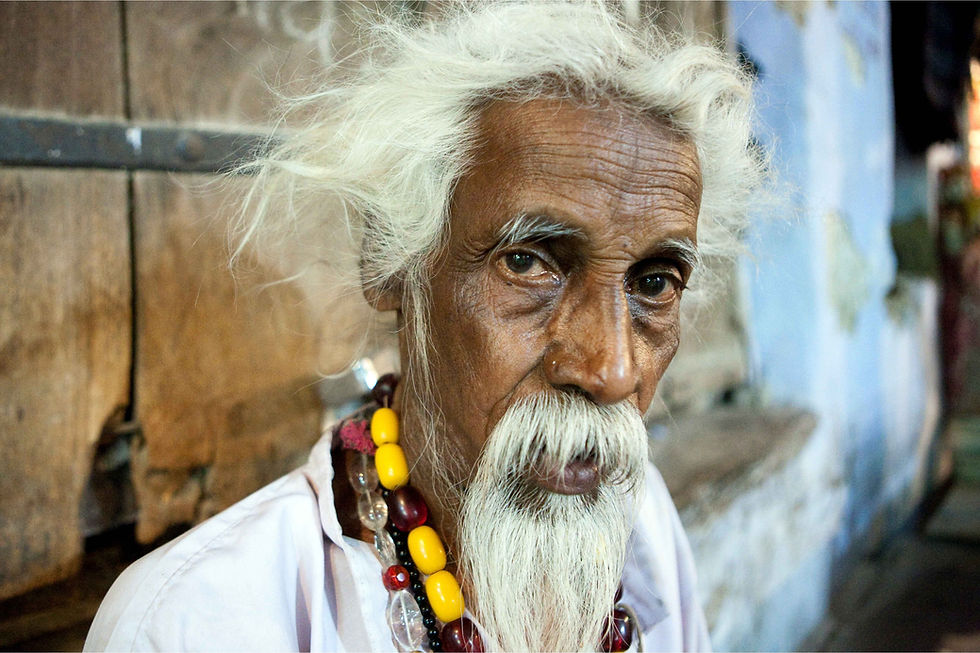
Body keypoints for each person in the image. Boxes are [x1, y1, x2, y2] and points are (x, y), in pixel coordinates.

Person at [85, 2, 765, 651]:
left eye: (653, 284)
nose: (614, 370)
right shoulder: (191, 621)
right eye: (528, 263)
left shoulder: (640, 519)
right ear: (391, 261)